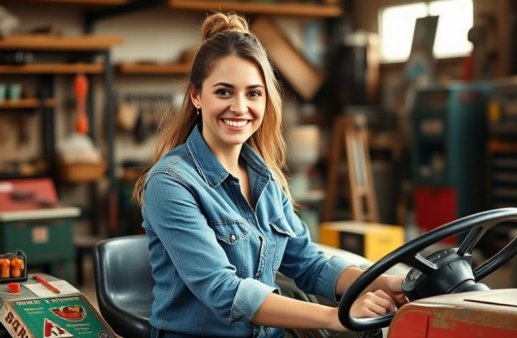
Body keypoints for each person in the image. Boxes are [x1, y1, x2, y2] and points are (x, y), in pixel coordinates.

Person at [133, 12, 405, 338]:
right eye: (223, 92)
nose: (239, 107)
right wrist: (336, 317)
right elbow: (223, 289)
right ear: (195, 96)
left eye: (253, 93)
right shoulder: (170, 183)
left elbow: (307, 262)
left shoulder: (265, 178)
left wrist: (385, 281)